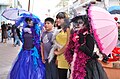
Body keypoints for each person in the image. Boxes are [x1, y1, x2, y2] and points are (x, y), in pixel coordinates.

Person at [64, 15, 108, 79]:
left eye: (80, 23)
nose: (77, 25)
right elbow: (72, 50)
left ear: (85, 24)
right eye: (76, 23)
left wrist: (81, 44)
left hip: (89, 68)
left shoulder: (88, 36)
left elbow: (89, 52)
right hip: (77, 65)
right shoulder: (75, 36)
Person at [51, 12, 70, 79]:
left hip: (67, 57)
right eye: (57, 18)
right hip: (60, 57)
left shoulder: (68, 29)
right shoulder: (60, 30)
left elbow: (68, 43)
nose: (57, 20)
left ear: (65, 19)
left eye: (60, 18)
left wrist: (59, 52)